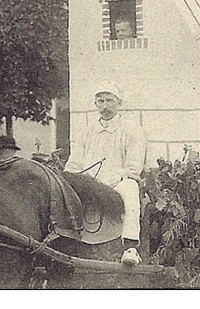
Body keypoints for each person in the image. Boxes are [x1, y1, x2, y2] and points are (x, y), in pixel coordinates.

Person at [64, 82, 149, 265]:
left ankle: (130, 247)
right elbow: (73, 165)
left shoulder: (132, 131)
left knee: (131, 187)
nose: (105, 105)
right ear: (95, 104)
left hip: (117, 183)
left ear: (119, 103)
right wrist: (79, 180)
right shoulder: (87, 133)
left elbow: (133, 168)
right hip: (88, 184)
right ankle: (65, 241)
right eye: (100, 101)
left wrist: (112, 179)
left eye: (110, 100)